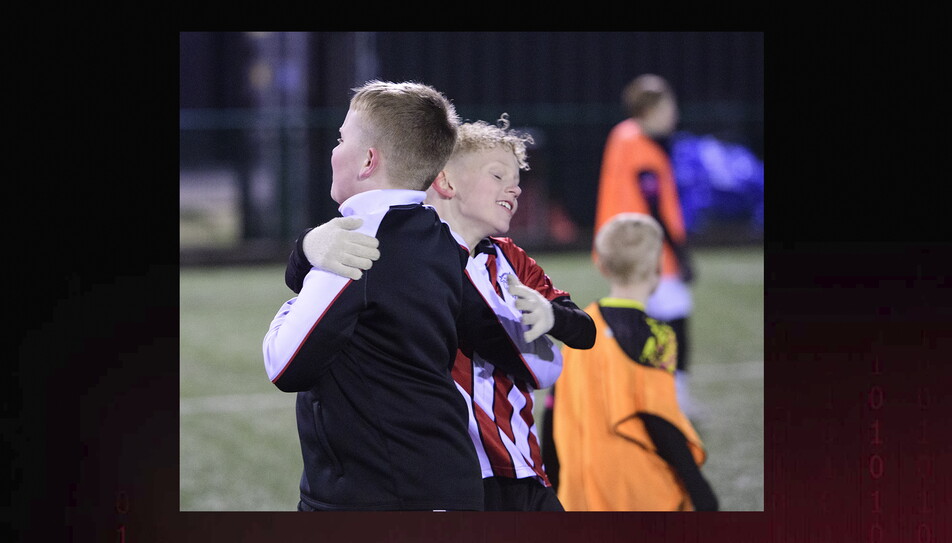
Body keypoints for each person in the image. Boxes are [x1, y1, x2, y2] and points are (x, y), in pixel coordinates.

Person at [287, 115, 596, 511]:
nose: (515, 188)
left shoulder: (511, 260)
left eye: (517, 178)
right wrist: (307, 245)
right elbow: (533, 361)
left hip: (519, 465)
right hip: (446, 472)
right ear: (446, 181)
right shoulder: (412, 251)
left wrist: (551, 316)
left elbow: (584, 332)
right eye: (498, 176)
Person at [261, 80, 485, 511]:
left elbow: (284, 364)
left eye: (342, 139)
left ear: (367, 160)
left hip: (383, 494)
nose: (333, 150)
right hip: (443, 479)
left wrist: (296, 297)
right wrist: (307, 250)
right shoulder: (440, 236)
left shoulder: (356, 243)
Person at [552, 212, 717, 511]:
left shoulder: (579, 326)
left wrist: (552, 480)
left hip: (582, 492)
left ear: (600, 264)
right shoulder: (658, 335)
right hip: (639, 490)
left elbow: (552, 410)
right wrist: (698, 486)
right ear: (656, 267)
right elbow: (660, 419)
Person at [593, 73, 697, 412]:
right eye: (668, 107)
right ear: (651, 108)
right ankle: (673, 395)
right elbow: (654, 205)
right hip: (648, 249)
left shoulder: (621, 136)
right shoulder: (639, 145)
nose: (673, 114)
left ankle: (632, 394)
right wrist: (681, 255)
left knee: (636, 319)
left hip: (622, 245)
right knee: (675, 317)